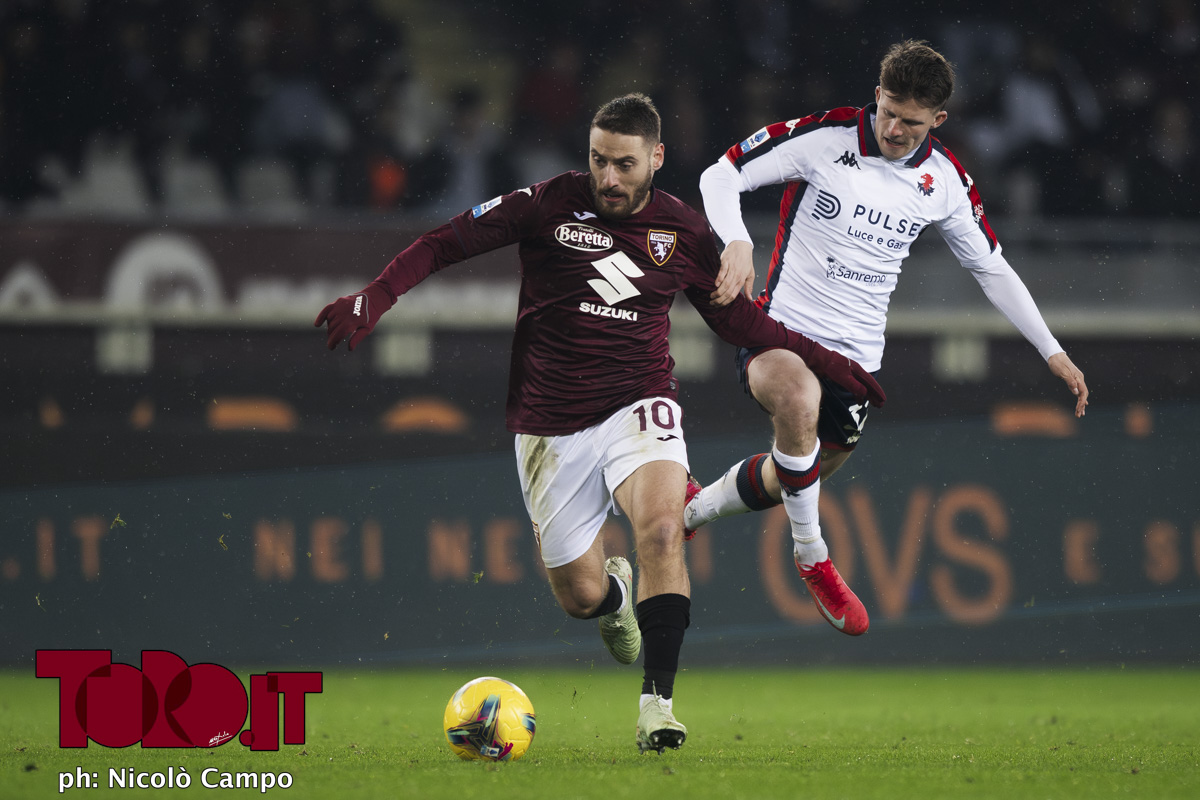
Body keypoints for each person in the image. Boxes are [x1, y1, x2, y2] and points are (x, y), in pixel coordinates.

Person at [315, 93, 884, 753]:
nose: (608, 178)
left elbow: (742, 324)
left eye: (624, 164)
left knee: (664, 529)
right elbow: (446, 242)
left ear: (656, 158)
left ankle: (657, 707)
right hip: (549, 426)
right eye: (598, 161)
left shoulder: (684, 232)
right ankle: (616, 599)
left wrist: (832, 365)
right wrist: (376, 296)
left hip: (638, 403)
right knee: (580, 597)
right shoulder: (547, 203)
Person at [683, 40, 1090, 636]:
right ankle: (813, 557)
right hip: (780, 331)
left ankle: (692, 508)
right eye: (889, 111)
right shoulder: (824, 138)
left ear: (939, 119)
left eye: (912, 122)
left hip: (855, 360)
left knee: (801, 469)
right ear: (877, 94)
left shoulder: (945, 180)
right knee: (796, 398)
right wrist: (737, 241)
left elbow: (991, 267)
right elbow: (720, 174)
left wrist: (1051, 350)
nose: (895, 129)